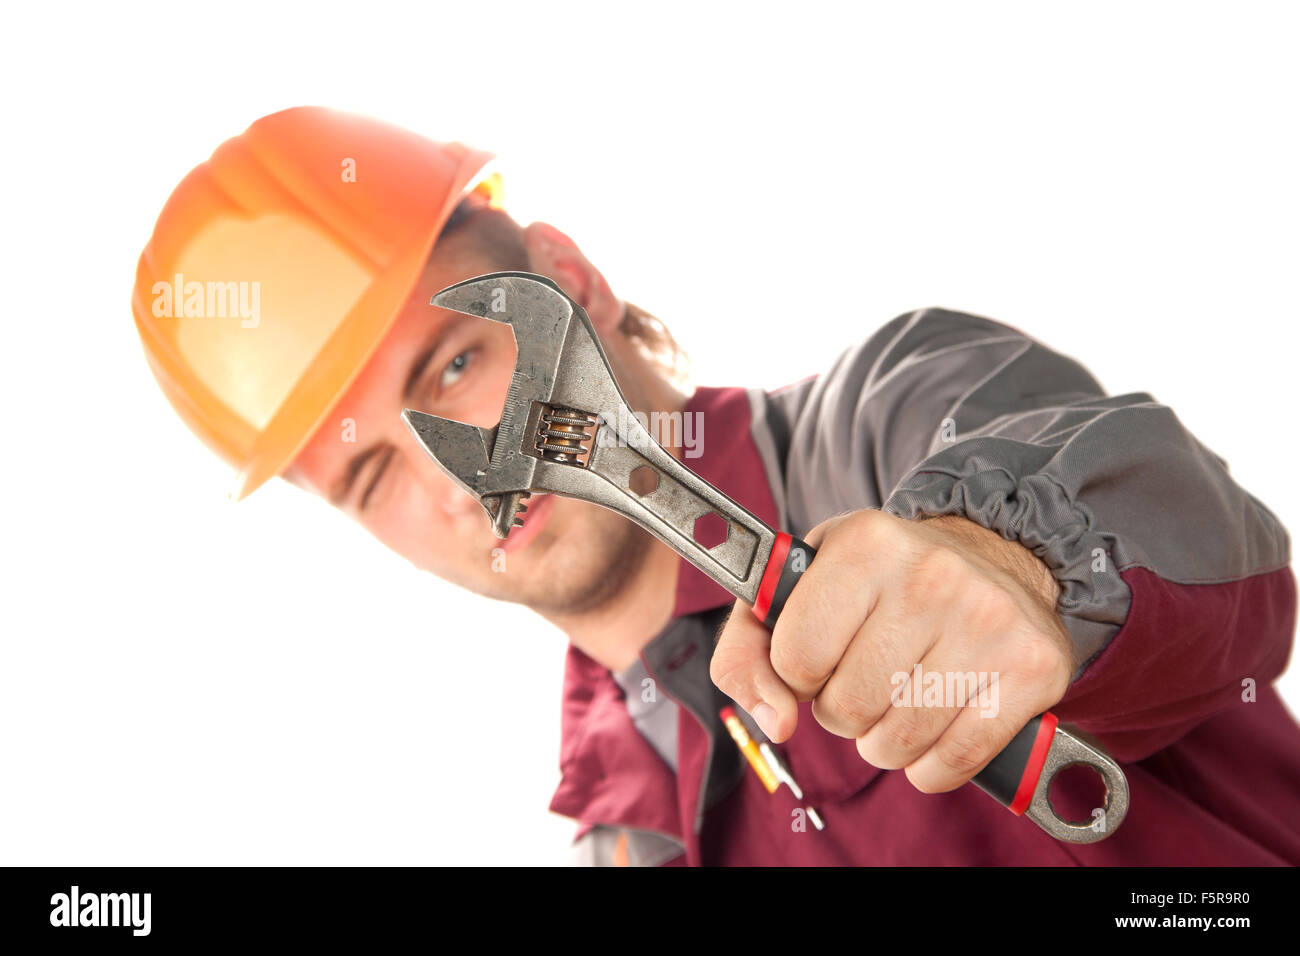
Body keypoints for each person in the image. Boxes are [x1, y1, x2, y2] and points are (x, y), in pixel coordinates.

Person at [133, 107, 1300, 866]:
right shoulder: (620, 833)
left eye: (452, 363)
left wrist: (1005, 568)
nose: (455, 478)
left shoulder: (883, 425)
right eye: (376, 467)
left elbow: (1196, 528)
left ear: (565, 280)